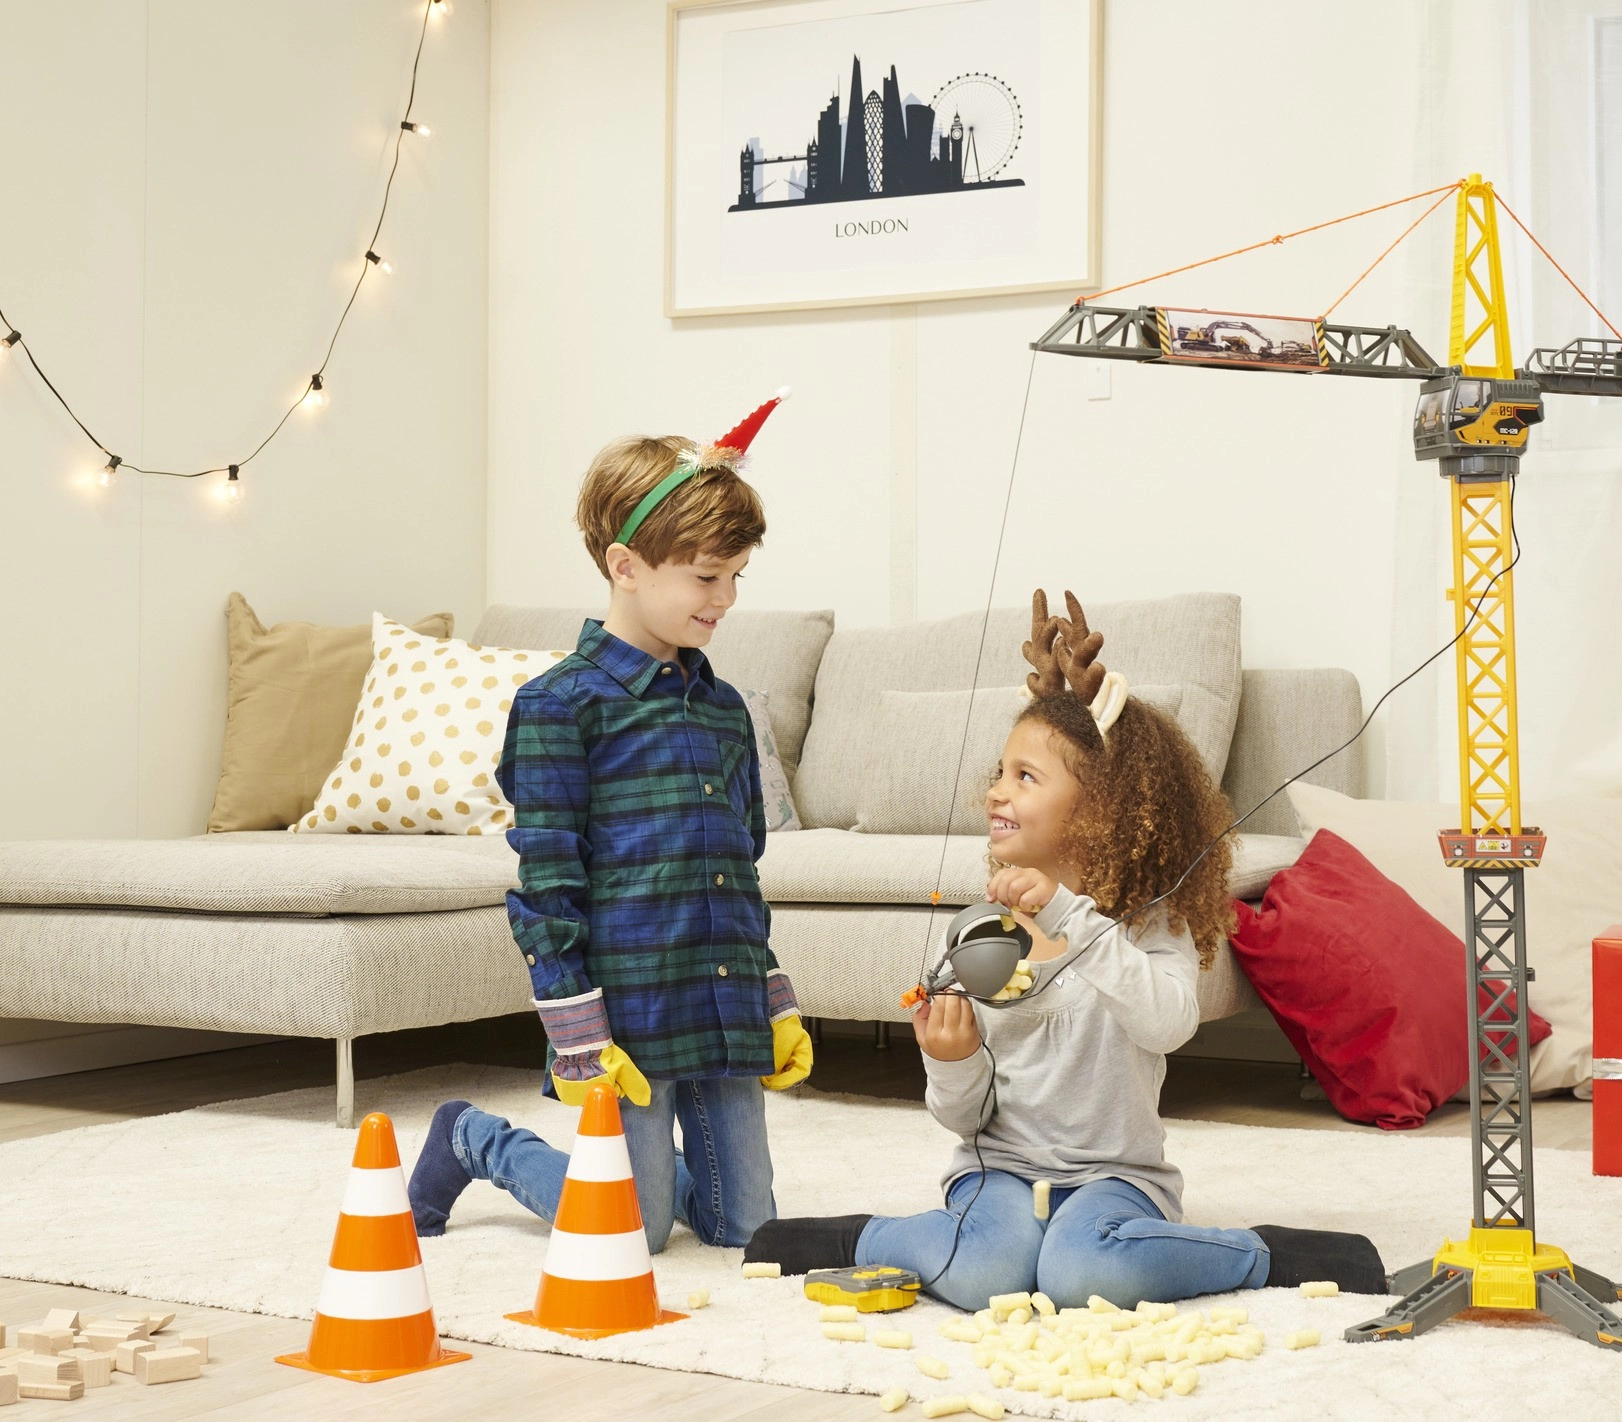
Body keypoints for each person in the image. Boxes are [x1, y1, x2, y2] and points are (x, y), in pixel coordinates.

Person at [745, 591, 1384, 1308]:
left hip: (1116, 1179)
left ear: (1103, 809)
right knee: (983, 1273)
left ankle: (1263, 1254)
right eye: (1000, 771)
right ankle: (859, 1240)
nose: (996, 792)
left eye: (1025, 777)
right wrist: (951, 1060)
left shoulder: (1148, 925)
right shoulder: (983, 935)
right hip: (999, 1173)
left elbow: (1167, 1023)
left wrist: (1066, 912)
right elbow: (966, 1120)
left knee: (1084, 1274)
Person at [406, 394, 812, 1253]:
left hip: (719, 1001)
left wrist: (772, 998)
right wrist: (577, 1031)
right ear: (626, 565)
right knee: (631, 1235)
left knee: (748, 1228)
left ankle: (641, 1174)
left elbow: (739, 867)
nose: (727, 598)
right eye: (707, 577)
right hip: (626, 1013)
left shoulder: (726, 711)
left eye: (737, 576)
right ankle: (474, 1139)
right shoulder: (559, 706)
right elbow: (548, 886)